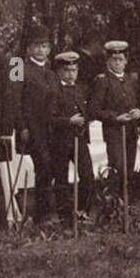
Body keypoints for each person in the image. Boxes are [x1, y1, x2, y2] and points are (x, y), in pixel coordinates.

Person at [19, 27, 60, 222]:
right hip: (32, 128)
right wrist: (21, 127)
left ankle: (53, 211)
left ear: (49, 50)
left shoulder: (52, 74)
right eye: (36, 46)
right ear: (28, 49)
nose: (40, 50)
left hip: (52, 129)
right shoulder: (18, 67)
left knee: (52, 167)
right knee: (42, 166)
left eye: (44, 46)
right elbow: (14, 100)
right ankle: (42, 214)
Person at [90, 41, 140, 184]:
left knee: (129, 166)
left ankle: (127, 199)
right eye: (114, 59)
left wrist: (139, 111)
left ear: (126, 61)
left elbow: (139, 102)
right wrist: (115, 117)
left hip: (131, 130)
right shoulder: (102, 81)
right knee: (117, 166)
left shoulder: (131, 80)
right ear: (108, 61)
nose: (117, 63)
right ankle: (115, 200)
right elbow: (94, 110)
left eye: (121, 60)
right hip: (114, 132)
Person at [51, 52, 94, 217]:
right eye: (67, 70)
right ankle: (64, 215)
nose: (71, 74)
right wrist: (69, 121)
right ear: (59, 72)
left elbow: (88, 111)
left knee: (87, 175)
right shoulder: (54, 91)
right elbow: (50, 118)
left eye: (74, 70)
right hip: (61, 141)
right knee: (61, 179)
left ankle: (83, 211)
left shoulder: (81, 90)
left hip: (80, 139)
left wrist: (85, 120)